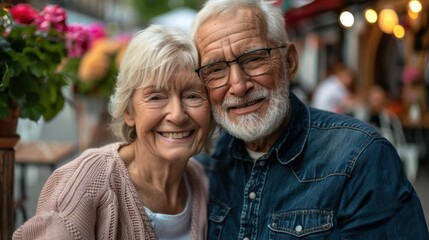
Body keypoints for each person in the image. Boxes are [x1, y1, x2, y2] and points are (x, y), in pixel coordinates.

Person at [190, 0, 429, 238]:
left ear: (290, 62)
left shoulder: (359, 158)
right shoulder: (205, 165)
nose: (238, 86)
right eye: (216, 69)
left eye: (253, 58)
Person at [13, 25, 212, 239]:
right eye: (156, 97)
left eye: (192, 95)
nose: (177, 115)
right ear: (129, 111)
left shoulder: (200, 180)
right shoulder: (86, 182)